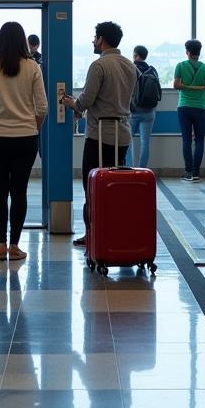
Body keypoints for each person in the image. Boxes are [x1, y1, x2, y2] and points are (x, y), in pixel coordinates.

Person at [0, 21, 48, 261]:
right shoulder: (33, 67)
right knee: (19, 192)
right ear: (22, 40)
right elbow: (43, 107)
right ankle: (15, 246)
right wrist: (33, 128)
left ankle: (0, 245)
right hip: (26, 138)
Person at [61, 21, 137, 247]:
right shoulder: (130, 66)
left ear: (102, 39)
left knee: (92, 186)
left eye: (95, 38)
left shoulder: (99, 66)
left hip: (99, 135)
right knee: (115, 185)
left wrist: (69, 102)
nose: (93, 42)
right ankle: (114, 230)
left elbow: (85, 101)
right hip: (123, 135)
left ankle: (92, 234)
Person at [174, 39, 205, 181]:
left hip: (184, 107)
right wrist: (198, 87)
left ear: (187, 52)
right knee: (199, 140)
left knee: (186, 140)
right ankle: (196, 173)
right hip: (200, 107)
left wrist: (186, 86)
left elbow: (176, 85)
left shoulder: (180, 66)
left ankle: (188, 171)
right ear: (199, 52)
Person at [129, 45, 161, 170]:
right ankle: (142, 169)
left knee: (128, 141)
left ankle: (129, 168)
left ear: (136, 55)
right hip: (150, 112)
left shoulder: (131, 68)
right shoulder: (152, 70)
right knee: (145, 142)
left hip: (133, 111)